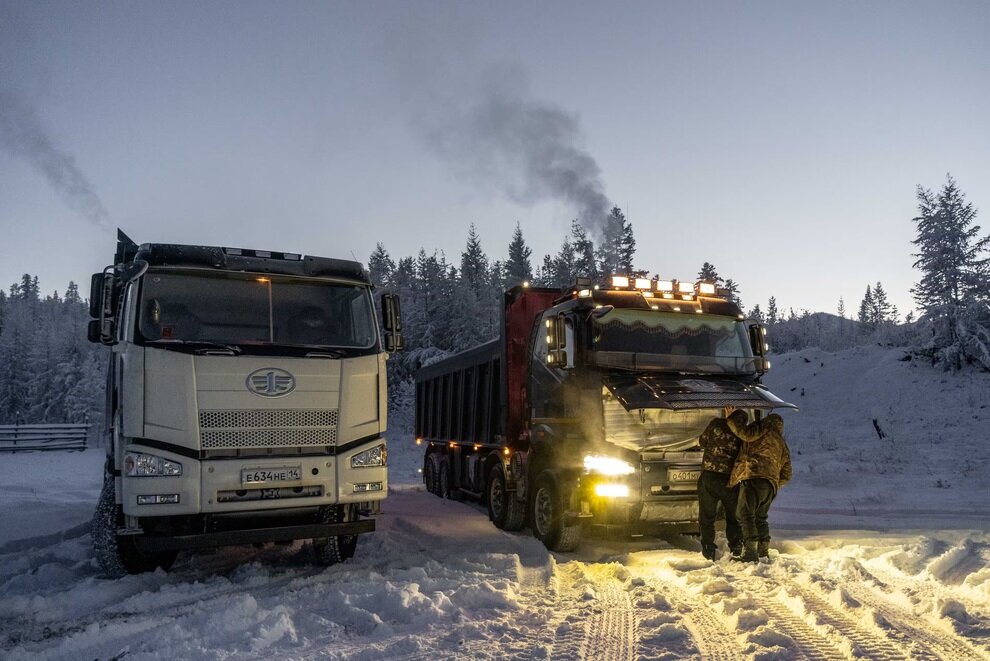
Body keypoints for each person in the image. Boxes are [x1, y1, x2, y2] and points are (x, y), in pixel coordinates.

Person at [725, 409, 792, 562]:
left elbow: (745, 434)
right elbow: (787, 474)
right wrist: (773, 482)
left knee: (745, 514)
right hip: (770, 486)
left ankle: (751, 552)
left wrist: (731, 418)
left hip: (753, 477)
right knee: (760, 517)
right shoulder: (782, 443)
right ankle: (763, 551)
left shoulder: (762, 430)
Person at [697, 407, 747, 560]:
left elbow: (702, 442)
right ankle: (736, 547)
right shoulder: (743, 433)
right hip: (730, 480)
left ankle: (708, 550)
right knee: (733, 516)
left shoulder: (716, 424)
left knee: (707, 516)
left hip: (709, 477)